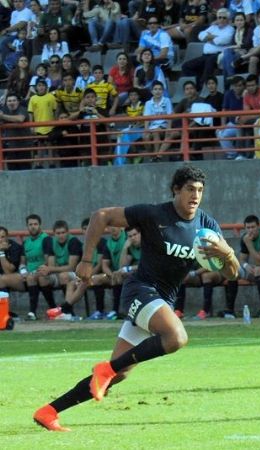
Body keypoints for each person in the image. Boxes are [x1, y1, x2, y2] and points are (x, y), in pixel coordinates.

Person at [33, 166, 240, 432]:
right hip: (140, 290)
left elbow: (231, 273)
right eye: (190, 189)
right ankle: (105, 369)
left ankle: (49, 412)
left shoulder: (207, 226)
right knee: (176, 337)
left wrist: (227, 253)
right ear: (176, 190)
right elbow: (101, 216)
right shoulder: (154, 214)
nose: (195, 196)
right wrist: (86, 260)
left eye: (200, 190)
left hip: (161, 302)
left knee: (118, 373)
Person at [22, 214, 52, 320]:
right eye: (30, 224)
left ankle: (51, 309)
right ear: (27, 226)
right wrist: (23, 271)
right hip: (29, 274)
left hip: (45, 273)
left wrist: (35, 272)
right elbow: (22, 262)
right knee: (3, 280)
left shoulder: (46, 239)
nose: (33, 227)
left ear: (40, 225)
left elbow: (48, 262)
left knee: (34, 277)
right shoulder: (26, 242)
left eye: (35, 224)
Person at [0, 225, 26, 294]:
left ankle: (3, 302)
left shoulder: (15, 247)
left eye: (2, 237)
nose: (0, 240)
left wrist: (1, 252)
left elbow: (8, 272)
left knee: (1, 280)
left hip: (17, 277)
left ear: (7, 237)